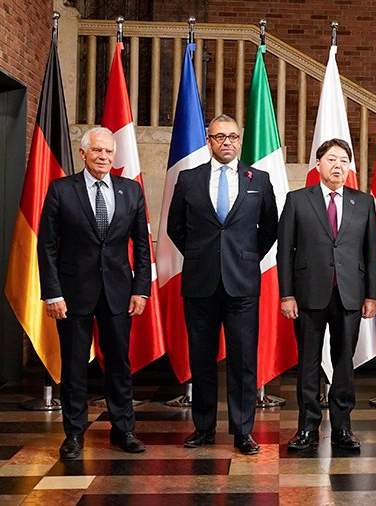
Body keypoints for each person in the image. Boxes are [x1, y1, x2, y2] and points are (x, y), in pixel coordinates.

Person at [167, 114, 278, 456]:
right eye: (219, 137)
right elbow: (175, 228)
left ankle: (243, 431)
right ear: (209, 140)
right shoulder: (189, 179)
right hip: (200, 283)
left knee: (243, 360)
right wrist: (202, 256)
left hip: (242, 284)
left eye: (232, 136)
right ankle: (203, 428)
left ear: (239, 140)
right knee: (201, 359)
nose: (226, 142)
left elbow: (270, 228)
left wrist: (245, 257)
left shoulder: (259, 179)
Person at [38, 127, 151, 460]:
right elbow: (46, 245)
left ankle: (123, 429)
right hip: (73, 294)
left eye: (108, 152)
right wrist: (53, 293)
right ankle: (74, 434)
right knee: (74, 366)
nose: (103, 157)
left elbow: (142, 246)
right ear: (83, 153)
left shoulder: (131, 190)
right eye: (97, 150)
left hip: (119, 292)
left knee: (119, 364)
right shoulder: (61, 190)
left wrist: (141, 289)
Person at [277, 139, 376, 452]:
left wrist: (372, 295)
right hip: (308, 294)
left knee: (344, 363)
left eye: (344, 160)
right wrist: (287, 295)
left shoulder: (363, 202)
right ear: (319, 163)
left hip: (350, 294)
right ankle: (307, 427)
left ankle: (342, 428)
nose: (338, 165)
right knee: (308, 362)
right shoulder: (297, 200)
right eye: (332, 159)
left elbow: (371, 252)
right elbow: (285, 251)